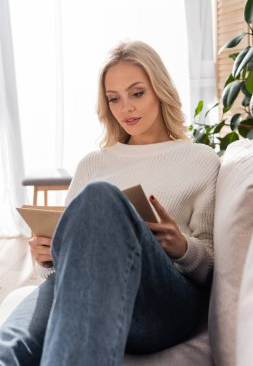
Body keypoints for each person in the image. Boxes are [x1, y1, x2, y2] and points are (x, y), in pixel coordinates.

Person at [0, 40, 220, 366]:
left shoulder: (200, 159)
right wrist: (47, 256)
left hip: (164, 301)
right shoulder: (93, 163)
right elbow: (60, 276)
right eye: (113, 98)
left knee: (101, 196)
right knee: (9, 348)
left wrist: (181, 247)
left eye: (137, 93)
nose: (125, 108)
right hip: (91, 289)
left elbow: (212, 265)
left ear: (159, 90)